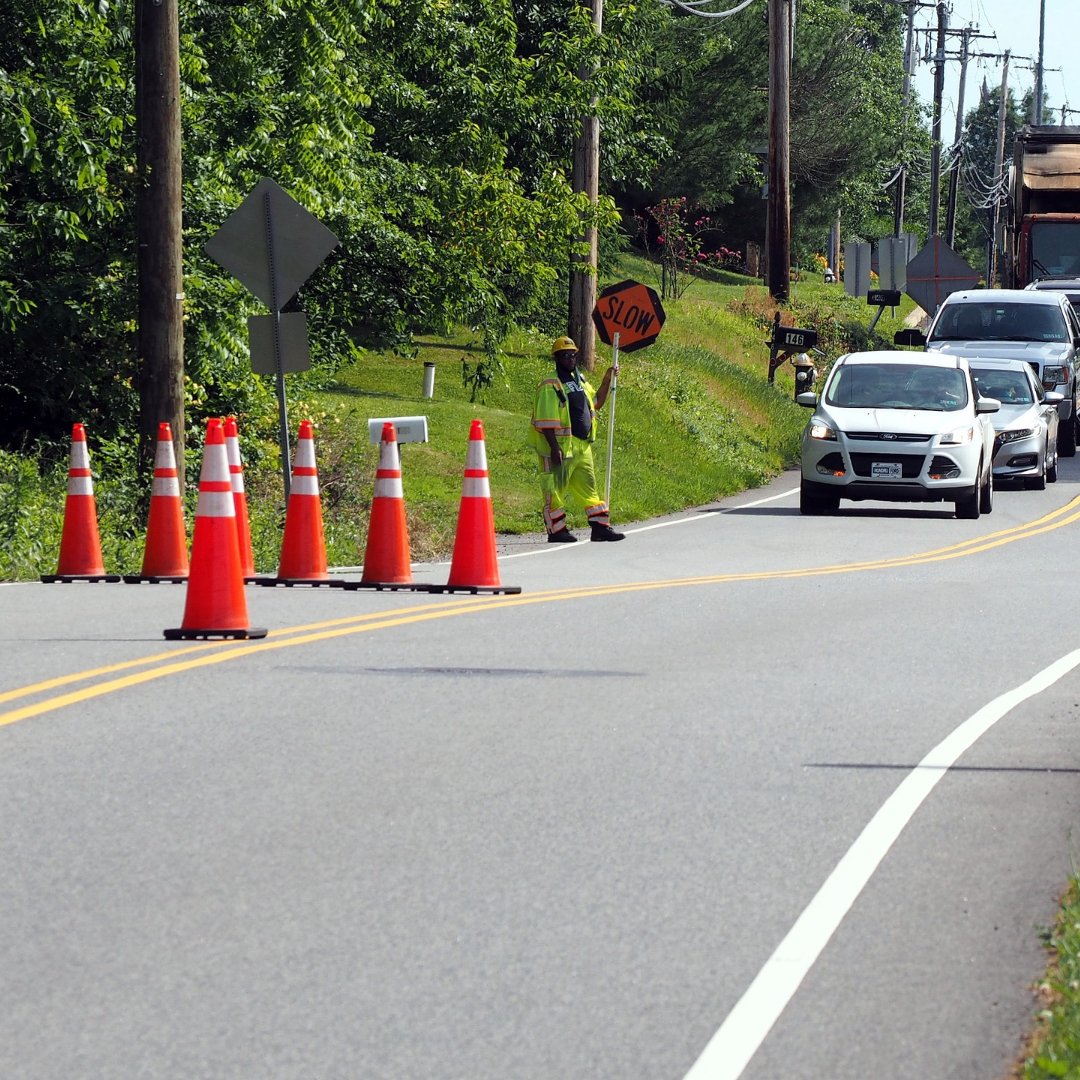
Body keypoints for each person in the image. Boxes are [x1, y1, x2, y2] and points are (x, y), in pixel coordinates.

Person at [529, 336, 625, 543]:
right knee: (554, 490)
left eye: (573, 355)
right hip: (560, 448)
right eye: (565, 355)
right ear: (556, 358)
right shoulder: (550, 385)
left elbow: (597, 402)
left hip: (582, 448)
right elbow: (546, 420)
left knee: (589, 488)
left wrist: (608, 378)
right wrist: (555, 448)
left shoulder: (579, 380)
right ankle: (556, 531)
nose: (570, 359)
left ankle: (600, 528)